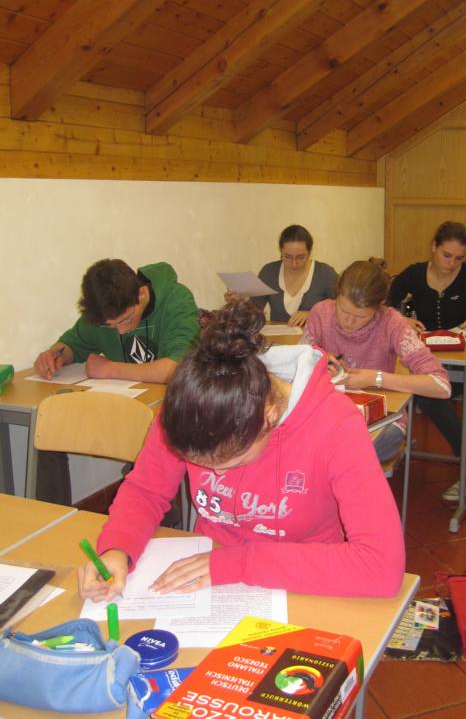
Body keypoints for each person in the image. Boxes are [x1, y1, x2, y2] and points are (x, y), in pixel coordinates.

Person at [77, 301, 404, 601]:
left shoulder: (335, 424)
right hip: (208, 572)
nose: (215, 475)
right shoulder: (190, 407)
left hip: (304, 582)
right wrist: (118, 549)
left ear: (269, 418)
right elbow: (147, 489)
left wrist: (238, 564)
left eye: (229, 462)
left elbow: (381, 566)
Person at [33, 259, 199, 504]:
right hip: (127, 403)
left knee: (154, 456)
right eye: (110, 326)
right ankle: (51, 516)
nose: (121, 331)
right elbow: (72, 344)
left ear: (141, 294)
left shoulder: (176, 299)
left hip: (172, 410)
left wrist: (110, 369)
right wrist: (55, 354)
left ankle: (163, 515)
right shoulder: (104, 311)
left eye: (126, 320)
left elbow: (174, 369)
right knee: (49, 425)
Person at [303, 260, 451, 467]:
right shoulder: (321, 313)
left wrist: (376, 378)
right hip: (331, 412)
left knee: (342, 454)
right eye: (343, 311)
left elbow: (441, 386)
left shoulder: (392, 323)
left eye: (360, 316)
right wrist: (318, 359)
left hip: (382, 419)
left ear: (379, 306)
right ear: (337, 295)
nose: (349, 322)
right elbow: (299, 364)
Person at [387, 221, 466, 502]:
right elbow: (385, 305)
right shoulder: (414, 273)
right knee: (405, 389)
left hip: (459, 360)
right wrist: (403, 319)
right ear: (434, 247)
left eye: (459, 258)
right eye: (447, 255)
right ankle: (391, 441)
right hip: (420, 357)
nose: (452, 263)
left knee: (429, 397)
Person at [225, 225, 337, 327]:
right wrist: (238, 303)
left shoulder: (324, 273)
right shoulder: (269, 272)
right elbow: (254, 314)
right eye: (287, 257)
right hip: (279, 339)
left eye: (301, 257)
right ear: (280, 250)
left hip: (315, 341)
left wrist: (313, 314)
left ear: (310, 252)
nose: (294, 263)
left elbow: (342, 308)